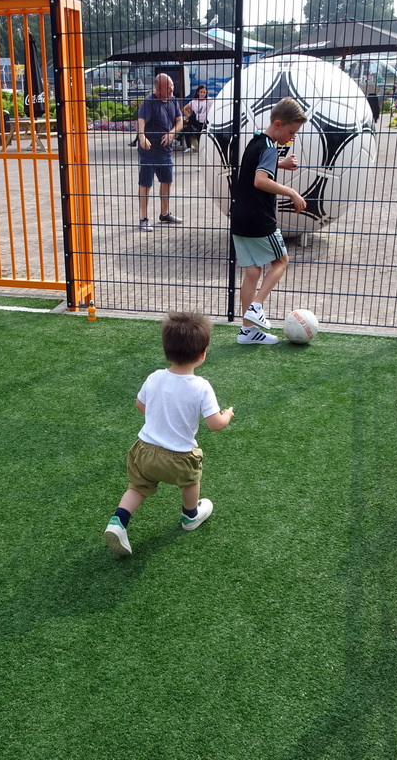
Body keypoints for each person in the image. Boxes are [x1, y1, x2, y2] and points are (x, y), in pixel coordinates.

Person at [104, 311, 234, 557]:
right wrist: (227, 414)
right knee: (191, 480)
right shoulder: (201, 386)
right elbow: (215, 424)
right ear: (202, 354)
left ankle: (118, 521)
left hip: (143, 451)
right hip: (179, 457)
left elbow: (140, 405)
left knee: (137, 488)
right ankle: (190, 516)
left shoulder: (154, 377)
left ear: (166, 350)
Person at [231, 96, 307, 346]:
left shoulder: (256, 141)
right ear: (277, 123)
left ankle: (247, 332)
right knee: (282, 261)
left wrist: (280, 164)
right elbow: (260, 180)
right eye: (291, 131)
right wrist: (292, 192)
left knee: (252, 272)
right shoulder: (270, 147)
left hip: (240, 219)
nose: (292, 137)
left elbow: (254, 167)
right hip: (259, 219)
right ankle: (256, 306)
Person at [136, 73, 185, 232]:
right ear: (158, 89)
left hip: (166, 151)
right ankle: (143, 218)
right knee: (145, 184)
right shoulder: (149, 102)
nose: (172, 90)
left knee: (167, 181)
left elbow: (180, 121)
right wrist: (142, 137)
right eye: (168, 88)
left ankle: (165, 213)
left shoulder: (173, 100)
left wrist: (172, 133)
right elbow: (141, 121)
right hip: (149, 152)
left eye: (172, 87)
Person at [182, 84, 211, 152]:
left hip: (206, 122)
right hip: (198, 123)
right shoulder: (194, 102)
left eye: (204, 92)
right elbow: (184, 109)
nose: (202, 94)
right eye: (201, 92)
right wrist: (189, 116)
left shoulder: (209, 100)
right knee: (198, 137)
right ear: (198, 92)